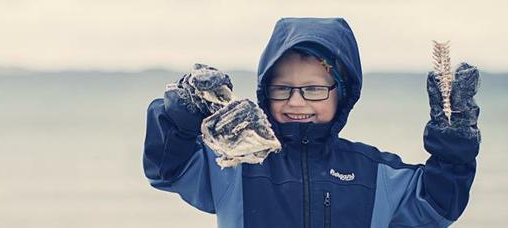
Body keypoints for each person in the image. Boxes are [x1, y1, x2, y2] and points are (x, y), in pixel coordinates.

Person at [143, 17, 481, 228]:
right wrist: (181, 113)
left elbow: (438, 206)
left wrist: (454, 147)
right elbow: (167, 168)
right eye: (282, 88)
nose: (296, 101)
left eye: (314, 89)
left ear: (343, 92)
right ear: (264, 90)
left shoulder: (375, 173)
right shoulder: (236, 166)